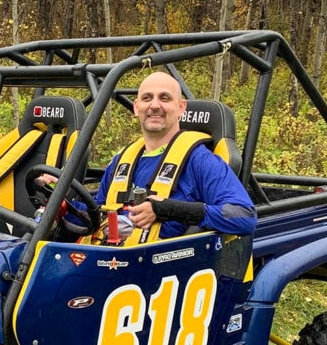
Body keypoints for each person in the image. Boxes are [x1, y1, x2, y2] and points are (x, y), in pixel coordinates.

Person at [40, 71, 256, 240]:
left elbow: (244, 216)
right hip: (110, 264)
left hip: (164, 271)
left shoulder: (200, 160)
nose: (154, 105)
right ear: (136, 107)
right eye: (146, 98)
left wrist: (168, 209)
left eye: (164, 98)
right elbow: (98, 215)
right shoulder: (121, 162)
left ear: (181, 107)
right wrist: (62, 201)